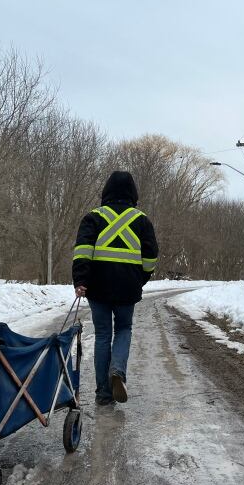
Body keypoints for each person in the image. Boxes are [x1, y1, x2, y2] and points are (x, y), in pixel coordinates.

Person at [72, 171, 159, 406]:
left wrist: (80, 280)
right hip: (127, 288)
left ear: (106, 192)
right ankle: (117, 371)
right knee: (123, 330)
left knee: (102, 335)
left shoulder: (94, 217)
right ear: (133, 193)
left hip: (97, 287)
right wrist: (139, 279)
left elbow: (82, 251)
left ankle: (103, 393)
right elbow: (151, 257)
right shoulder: (141, 220)